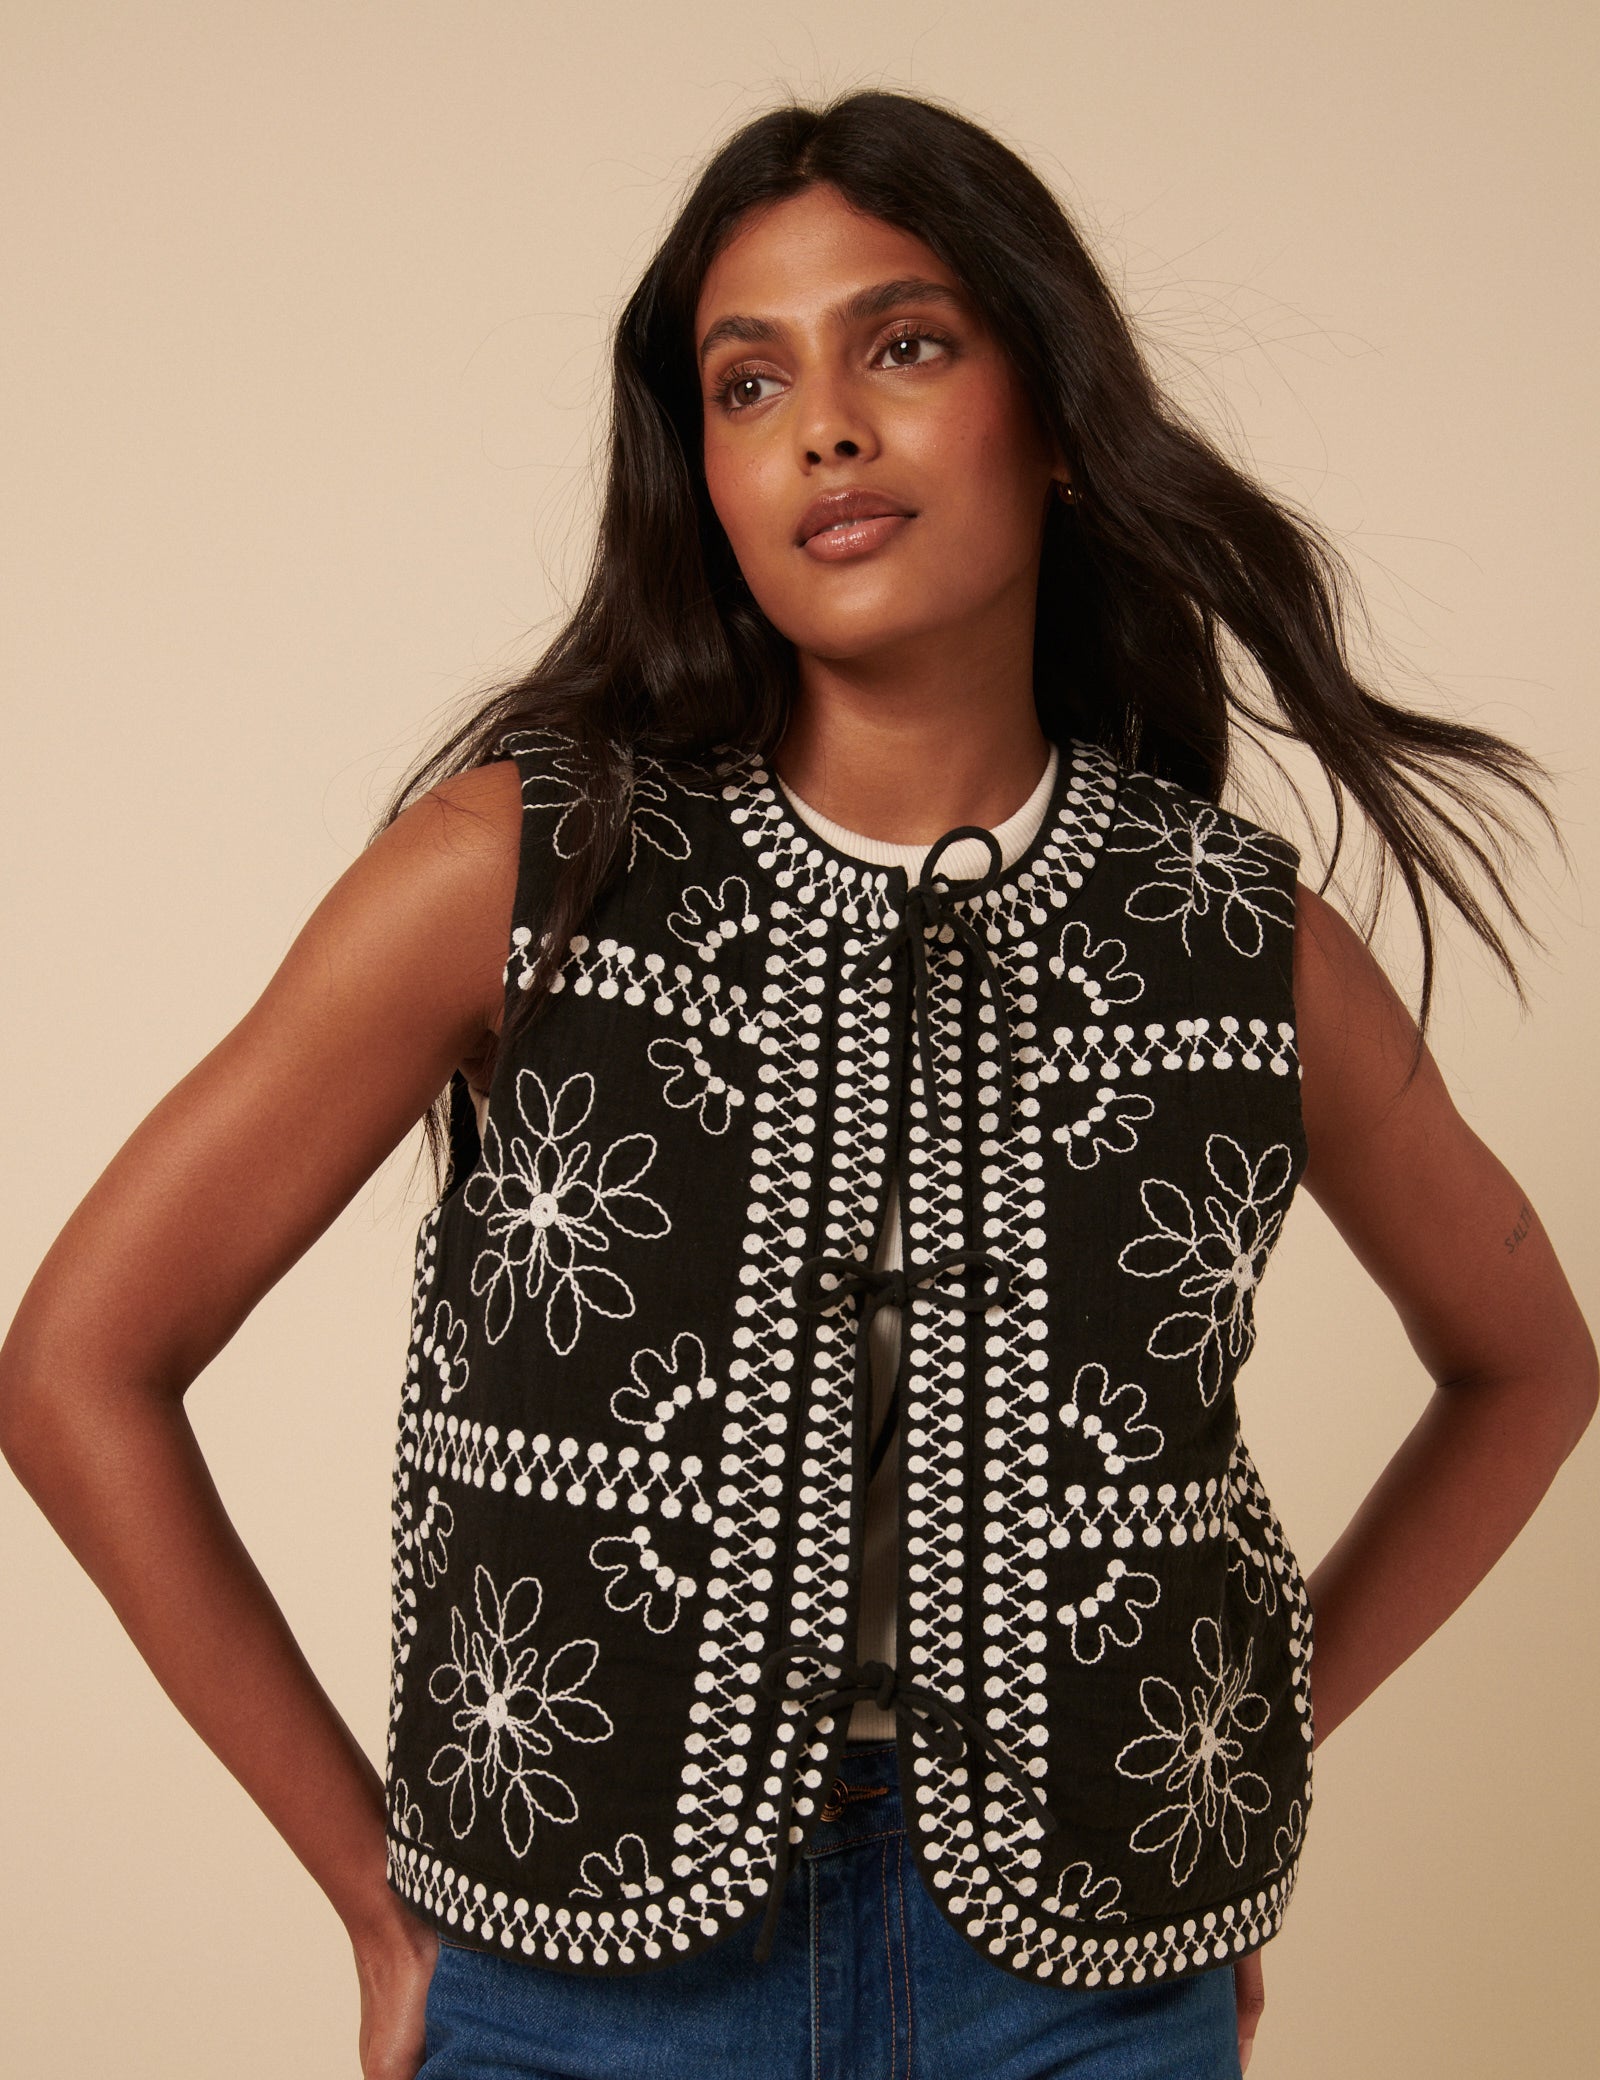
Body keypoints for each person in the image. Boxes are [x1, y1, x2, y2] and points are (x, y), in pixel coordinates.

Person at [0, 88, 1593, 2080]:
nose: (824, 426)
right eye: (748, 384)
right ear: (708, 477)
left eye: (903, 346)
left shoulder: (1231, 933)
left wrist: (1216, 1770)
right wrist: (367, 1892)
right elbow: (78, 1364)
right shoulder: (519, 869)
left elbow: (1527, 1365)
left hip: (1085, 1997)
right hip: (579, 1981)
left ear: (1057, 418)